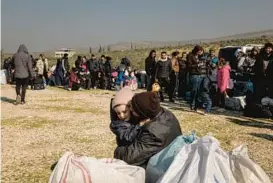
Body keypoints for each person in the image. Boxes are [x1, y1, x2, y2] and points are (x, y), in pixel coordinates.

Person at [114, 92, 182, 168]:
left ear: (142, 114)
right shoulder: (165, 113)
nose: (130, 110)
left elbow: (129, 158)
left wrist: (119, 149)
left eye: (133, 110)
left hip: (160, 168)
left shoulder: (153, 132)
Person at [187, 45, 207, 111]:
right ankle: (192, 104)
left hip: (200, 74)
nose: (200, 52)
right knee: (194, 90)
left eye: (201, 51)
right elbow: (189, 66)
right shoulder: (190, 55)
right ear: (196, 50)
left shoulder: (198, 56)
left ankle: (196, 106)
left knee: (199, 91)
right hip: (193, 75)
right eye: (199, 51)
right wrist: (197, 65)